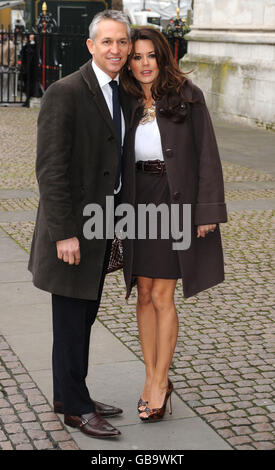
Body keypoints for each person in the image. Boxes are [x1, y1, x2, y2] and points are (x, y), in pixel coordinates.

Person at [28, 10, 132, 438]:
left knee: (83, 316)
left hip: (100, 227)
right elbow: (50, 170)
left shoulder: (121, 92)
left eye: (122, 42)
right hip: (72, 232)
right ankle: (75, 408)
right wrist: (64, 233)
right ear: (90, 46)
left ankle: (70, 392)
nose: (116, 50)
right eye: (107, 42)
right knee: (71, 319)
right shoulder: (65, 91)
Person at [120, 27, 227, 422]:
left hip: (174, 198)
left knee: (162, 293)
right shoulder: (126, 99)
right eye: (137, 57)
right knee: (143, 292)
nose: (144, 64)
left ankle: (161, 383)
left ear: (163, 57)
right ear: (129, 62)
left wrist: (207, 211)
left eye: (151, 56)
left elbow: (207, 154)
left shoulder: (187, 95)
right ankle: (150, 376)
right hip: (137, 200)